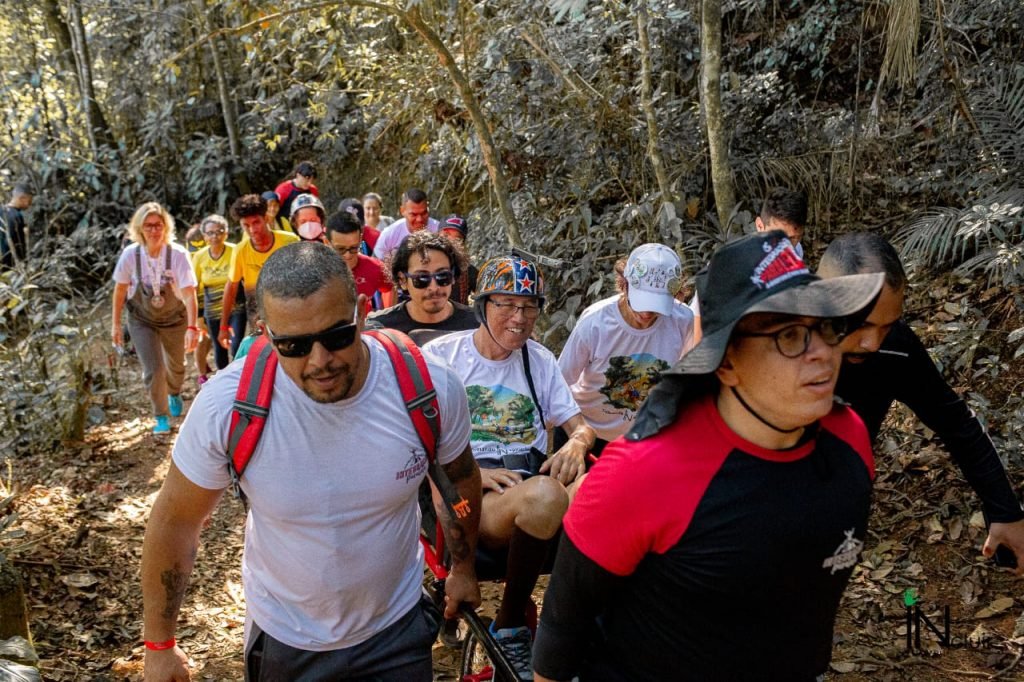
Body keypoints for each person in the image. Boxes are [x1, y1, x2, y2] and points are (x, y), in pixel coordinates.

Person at [532, 231, 885, 681]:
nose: (823, 355)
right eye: (791, 335)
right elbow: (562, 630)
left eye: (827, 326)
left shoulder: (849, 439)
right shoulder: (641, 474)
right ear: (726, 362)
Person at [140, 242, 482, 682]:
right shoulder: (228, 408)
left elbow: (460, 479)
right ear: (264, 333)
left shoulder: (426, 387)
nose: (320, 361)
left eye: (337, 336)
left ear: (361, 312)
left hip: (396, 632)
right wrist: (159, 647)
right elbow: (175, 522)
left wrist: (464, 567)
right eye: (294, 345)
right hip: (287, 640)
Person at [425, 256, 596, 681]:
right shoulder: (443, 356)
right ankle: (511, 625)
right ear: (480, 304)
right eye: (506, 304)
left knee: (603, 488)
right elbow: (414, 439)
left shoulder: (539, 360)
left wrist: (577, 443)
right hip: (474, 501)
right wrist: (468, 472)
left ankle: (581, 627)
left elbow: (580, 425)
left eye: (529, 307)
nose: (519, 318)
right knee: (544, 496)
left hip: (532, 482)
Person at [819, 232, 1024, 572]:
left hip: (839, 503)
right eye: (861, 325)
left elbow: (957, 424)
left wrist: (1005, 511)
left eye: (886, 326)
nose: (872, 343)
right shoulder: (774, 339)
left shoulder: (894, 347)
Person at [558, 244, 696, 454]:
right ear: (625, 284)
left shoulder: (682, 321)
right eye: (641, 302)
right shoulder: (596, 324)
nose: (647, 313)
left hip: (640, 439)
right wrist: (576, 434)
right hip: (587, 434)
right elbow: (559, 384)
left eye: (656, 305)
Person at [111, 202, 201, 434]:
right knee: (154, 369)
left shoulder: (178, 254)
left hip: (175, 318)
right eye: (148, 226)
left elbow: (190, 295)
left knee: (177, 366)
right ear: (140, 228)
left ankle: (174, 392)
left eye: (158, 225)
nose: (154, 230)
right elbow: (120, 290)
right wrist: (115, 326)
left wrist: (192, 327)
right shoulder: (131, 255)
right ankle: (160, 415)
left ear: (166, 227)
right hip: (142, 319)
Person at [217, 194, 299, 351]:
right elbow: (231, 287)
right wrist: (223, 327)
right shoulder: (240, 251)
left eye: (256, 223)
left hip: (291, 316)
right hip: (258, 322)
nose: (252, 230)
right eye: (246, 225)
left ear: (266, 219)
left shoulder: (290, 242)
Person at [367, 231, 477, 338]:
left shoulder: (478, 325)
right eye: (422, 279)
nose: (434, 288)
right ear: (402, 280)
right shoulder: (380, 329)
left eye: (443, 276)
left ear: (453, 276)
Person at [192, 214, 246, 373]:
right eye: (210, 233)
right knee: (219, 347)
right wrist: (199, 318)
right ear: (204, 236)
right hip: (212, 308)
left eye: (219, 232)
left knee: (236, 345)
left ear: (226, 233)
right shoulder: (199, 257)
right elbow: (196, 288)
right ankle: (224, 379)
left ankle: (239, 379)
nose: (214, 236)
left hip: (236, 306)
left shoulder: (235, 250)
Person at [324, 210, 394, 313]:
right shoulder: (316, 271)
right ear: (326, 242)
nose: (347, 255)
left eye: (354, 248)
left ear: (360, 240)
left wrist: (388, 316)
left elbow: (390, 289)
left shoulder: (375, 268)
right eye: (340, 249)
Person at [372, 188, 440, 263]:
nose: (419, 219)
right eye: (413, 214)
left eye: (424, 213)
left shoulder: (439, 230)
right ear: (402, 211)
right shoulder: (389, 235)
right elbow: (375, 265)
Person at [755, 187, 808, 258]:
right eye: (780, 237)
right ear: (760, 226)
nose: (787, 247)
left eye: (797, 238)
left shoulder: (797, 250)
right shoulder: (742, 263)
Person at [440, 214, 478, 305]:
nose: (450, 241)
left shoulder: (468, 271)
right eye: (446, 235)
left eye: (457, 239)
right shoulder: (423, 267)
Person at [0, 184, 33, 266]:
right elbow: (12, 242)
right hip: (9, 264)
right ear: (22, 198)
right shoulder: (15, 216)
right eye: (29, 201)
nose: (30, 204)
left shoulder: (2, 210)